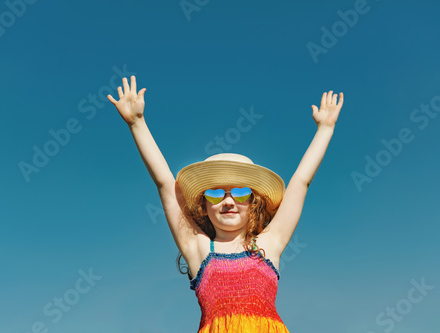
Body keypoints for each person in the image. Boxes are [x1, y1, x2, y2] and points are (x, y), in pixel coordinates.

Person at [107, 76, 344, 332]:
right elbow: (165, 182)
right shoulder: (197, 248)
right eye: (216, 194)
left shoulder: (268, 243)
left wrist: (325, 129)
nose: (229, 201)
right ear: (203, 206)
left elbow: (300, 182)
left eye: (241, 193)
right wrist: (136, 123)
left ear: (253, 204)